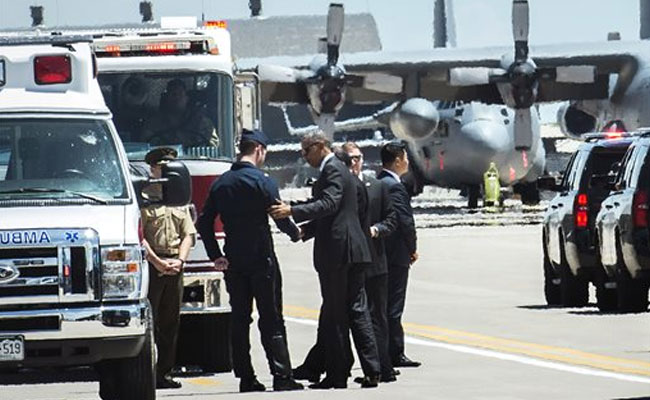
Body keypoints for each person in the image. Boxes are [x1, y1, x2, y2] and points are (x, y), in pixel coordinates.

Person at [195, 129, 304, 393]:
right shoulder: (262, 182)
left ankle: (246, 378)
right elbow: (278, 215)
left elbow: (204, 222)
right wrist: (295, 233)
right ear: (258, 149)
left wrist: (215, 255)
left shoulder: (221, 183)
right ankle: (281, 376)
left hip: (233, 260)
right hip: (261, 258)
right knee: (271, 318)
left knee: (240, 319)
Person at [268, 133, 372, 389]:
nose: (304, 158)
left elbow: (329, 204)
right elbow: (333, 209)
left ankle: (337, 376)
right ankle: (373, 368)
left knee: (337, 315)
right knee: (354, 310)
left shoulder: (333, 169)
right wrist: (306, 228)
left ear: (318, 147)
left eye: (305, 152)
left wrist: (292, 211)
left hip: (339, 252)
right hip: (351, 249)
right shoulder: (339, 169)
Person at [343, 141, 399, 383]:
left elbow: (392, 218)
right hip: (349, 262)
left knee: (378, 317)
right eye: (349, 159)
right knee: (348, 316)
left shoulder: (377, 185)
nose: (355, 162)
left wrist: (377, 230)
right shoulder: (340, 186)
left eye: (358, 157)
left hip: (375, 259)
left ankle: (383, 367)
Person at [140, 146, 196, 389]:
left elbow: (188, 235)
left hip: (174, 264)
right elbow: (139, 238)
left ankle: (164, 373)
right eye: (163, 168)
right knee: (146, 323)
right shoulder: (142, 199)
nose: (168, 173)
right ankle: (142, 373)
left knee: (170, 323)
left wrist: (180, 261)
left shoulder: (179, 200)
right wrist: (158, 262)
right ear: (153, 170)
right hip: (151, 266)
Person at [377, 141, 421, 368]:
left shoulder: (378, 182)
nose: (407, 162)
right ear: (396, 161)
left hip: (383, 253)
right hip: (396, 254)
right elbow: (405, 221)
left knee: (384, 304)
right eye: (404, 158)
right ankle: (394, 353)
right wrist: (412, 248)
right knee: (393, 306)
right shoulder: (394, 186)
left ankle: (387, 351)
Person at [143, 79, 219, 148]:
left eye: (180, 94)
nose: (177, 98)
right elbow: (145, 146)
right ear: (166, 98)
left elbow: (214, 146)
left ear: (187, 98)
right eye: (173, 94)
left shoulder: (202, 122)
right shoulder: (153, 123)